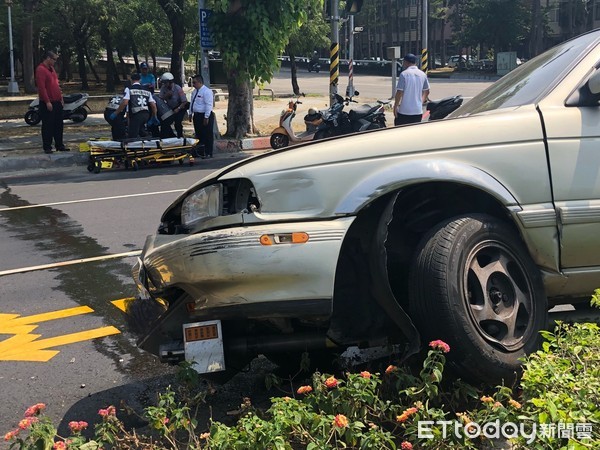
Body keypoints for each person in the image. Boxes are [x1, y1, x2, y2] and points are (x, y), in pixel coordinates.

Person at [35, 51, 70, 154]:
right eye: (54, 59)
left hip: (57, 101)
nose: (55, 61)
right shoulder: (41, 69)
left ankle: (59, 144)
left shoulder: (52, 69)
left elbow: (56, 84)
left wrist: (61, 98)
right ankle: (47, 146)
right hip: (48, 102)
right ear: (48, 58)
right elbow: (42, 88)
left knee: (58, 124)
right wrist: (47, 101)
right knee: (48, 125)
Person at [110, 72, 158, 139]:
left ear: (131, 80)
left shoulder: (129, 89)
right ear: (140, 80)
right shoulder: (147, 90)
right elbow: (153, 105)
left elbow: (125, 103)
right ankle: (148, 139)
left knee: (132, 136)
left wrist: (115, 113)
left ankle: (136, 147)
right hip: (146, 115)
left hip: (136, 115)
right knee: (141, 130)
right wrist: (154, 116)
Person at [393, 53, 430, 126]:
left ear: (406, 62)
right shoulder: (422, 74)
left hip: (404, 111)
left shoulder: (404, 74)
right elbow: (427, 91)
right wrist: (421, 102)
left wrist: (395, 106)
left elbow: (399, 92)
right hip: (418, 111)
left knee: (401, 131)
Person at [188, 74, 215, 158]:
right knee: (199, 134)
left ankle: (208, 152)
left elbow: (209, 105)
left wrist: (206, 117)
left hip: (204, 115)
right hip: (197, 115)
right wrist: (190, 113)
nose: (193, 84)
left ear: (200, 82)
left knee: (207, 134)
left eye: (195, 82)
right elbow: (192, 103)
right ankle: (200, 152)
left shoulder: (206, 91)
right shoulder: (194, 91)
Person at [158, 72, 188, 138]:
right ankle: (170, 136)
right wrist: (166, 96)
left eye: (166, 83)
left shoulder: (177, 88)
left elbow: (184, 101)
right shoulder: (163, 88)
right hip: (170, 108)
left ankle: (180, 136)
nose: (164, 84)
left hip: (180, 107)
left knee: (177, 123)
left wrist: (178, 108)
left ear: (170, 82)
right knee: (165, 121)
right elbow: (160, 99)